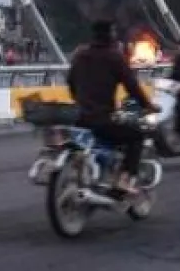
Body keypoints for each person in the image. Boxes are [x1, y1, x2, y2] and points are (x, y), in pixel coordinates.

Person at [66, 20, 157, 195]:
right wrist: (148, 105)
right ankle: (123, 179)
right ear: (110, 34)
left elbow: (70, 81)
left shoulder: (79, 54)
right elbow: (132, 86)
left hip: (80, 118)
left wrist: (80, 101)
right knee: (136, 136)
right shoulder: (114, 56)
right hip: (102, 119)